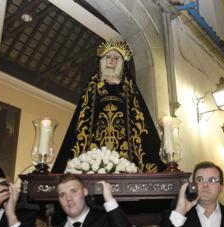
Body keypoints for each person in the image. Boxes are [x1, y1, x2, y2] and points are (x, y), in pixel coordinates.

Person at [52, 40, 164, 174]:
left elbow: (137, 109)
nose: (111, 60)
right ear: (103, 60)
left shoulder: (127, 84)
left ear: (120, 62)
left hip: (122, 130)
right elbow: (84, 110)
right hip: (98, 130)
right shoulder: (94, 83)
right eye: (108, 57)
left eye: (116, 58)